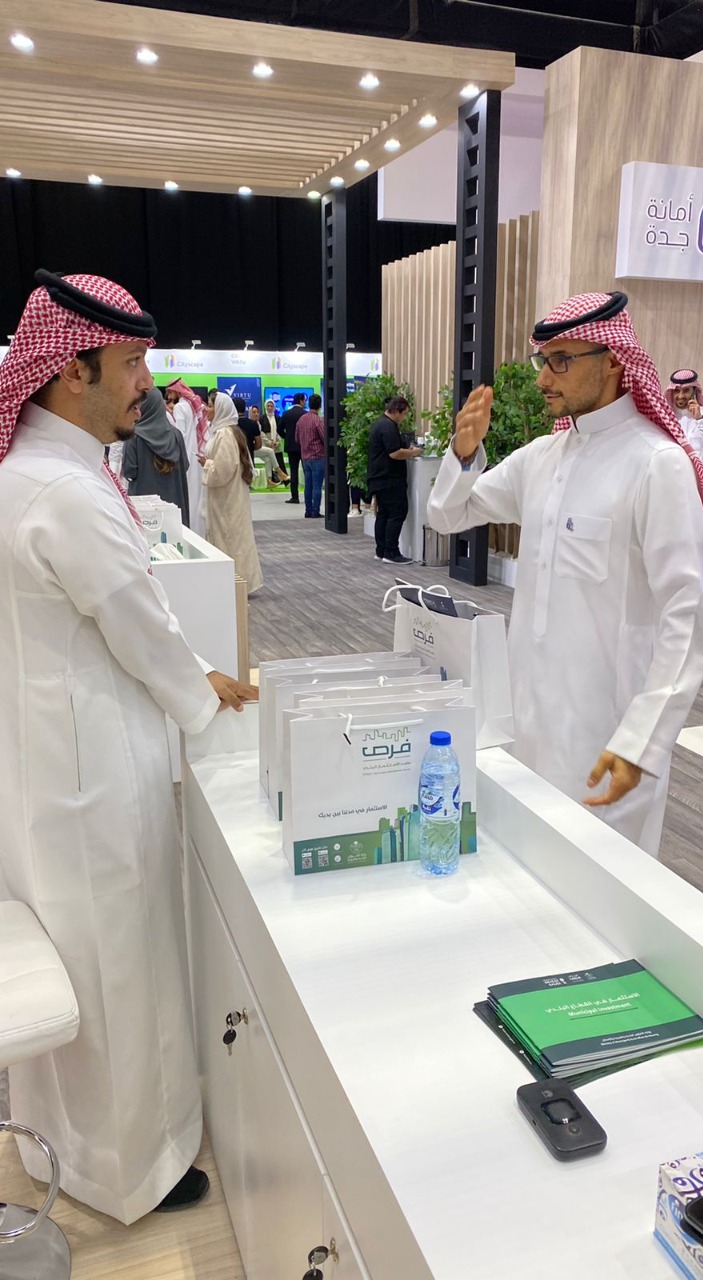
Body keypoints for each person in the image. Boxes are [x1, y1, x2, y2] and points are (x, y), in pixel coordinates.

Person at [0, 269, 255, 1224]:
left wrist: (192, 674)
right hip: (93, 781)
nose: (147, 382)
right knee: (117, 973)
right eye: (133, 362)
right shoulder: (64, 489)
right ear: (72, 370)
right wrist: (205, 693)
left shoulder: (32, 470)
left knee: (75, 970)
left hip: (42, 768)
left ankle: (61, 1148)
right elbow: (138, 627)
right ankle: (133, 1173)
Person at [427, 290, 703, 856]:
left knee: (606, 879)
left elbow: (686, 616)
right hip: (529, 718)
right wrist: (463, 455)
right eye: (544, 360)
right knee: (530, 868)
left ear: (613, 361)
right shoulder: (543, 457)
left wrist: (643, 739)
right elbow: (450, 514)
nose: (543, 379)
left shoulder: (656, 463)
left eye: (561, 360)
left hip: (608, 731)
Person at [199, 391, 263, 594]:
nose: (206, 409)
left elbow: (223, 471)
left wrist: (206, 463)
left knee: (231, 539)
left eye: (210, 405)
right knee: (233, 539)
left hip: (227, 500)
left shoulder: (225, 434)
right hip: (226, 498)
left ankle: (236, 584)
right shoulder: (223, 431)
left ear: (220, 409)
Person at [122, 384, 190, 526]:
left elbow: (129, 471)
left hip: (146, 514)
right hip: (174, 509)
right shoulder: (176, 435)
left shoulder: (134, 436)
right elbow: (185, 466)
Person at [367, 395, 423, 564]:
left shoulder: (380, 424)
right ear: (397, 411)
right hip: (389, 478)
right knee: (397, 513)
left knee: (383, 514)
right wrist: (412, 452)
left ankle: (381, 550)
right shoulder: (388, 426)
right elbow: (394, 453)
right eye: (404, 413)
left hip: (378, 478)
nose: (404, 417)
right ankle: (391, 552)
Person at [166, 378, 208, 535]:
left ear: (176, 391)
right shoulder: (193, 405)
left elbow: (180, 435)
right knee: (197, 494)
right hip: (197, 455)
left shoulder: (180, 407)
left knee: (188, 494)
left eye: (170, 392)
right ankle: (199, 530)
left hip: (186, 456)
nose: (169, 396)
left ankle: (190, 531)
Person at [665, 368, 703, 482]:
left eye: (686, 390)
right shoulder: (666, 418)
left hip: (702, 485)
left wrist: (700, 419)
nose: (680, 396)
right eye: (677, 391)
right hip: (673, 482)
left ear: (694, 392)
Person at [296, 392, 325, 518]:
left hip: (305, 457)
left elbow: (297, 439)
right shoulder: (318, 420)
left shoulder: (301, 420)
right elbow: (324, 438)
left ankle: (308, 510)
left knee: (308, 486)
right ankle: (315, 511)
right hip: (318, 457)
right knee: (317, 486)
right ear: (320, 405)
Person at [279, 392, 307, 505]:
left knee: (293, 471)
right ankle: (308, 496)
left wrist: (287, 437)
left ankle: (294, 497)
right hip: (304, 446)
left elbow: (279, 429)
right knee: (307, 471)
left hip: (291, 446)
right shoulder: (305, 414)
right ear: (301, 401)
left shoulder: (286, 413)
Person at [250, 403, 287, 488]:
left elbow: (274, 432)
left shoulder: (258, 423)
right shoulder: (250, 423)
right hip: (250, 449)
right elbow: (260, 436)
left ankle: (269, 480)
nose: (256, 414)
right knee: (270, 451)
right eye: (254, 412)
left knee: (268, 459)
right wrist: (269, 442)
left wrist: (275, 442)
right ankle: (280, 472)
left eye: (257, 412)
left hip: (258, 447)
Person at [261, 397, 288, 481]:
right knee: (269, 462)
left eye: (271, 406)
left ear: (274, 407)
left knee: (280, 462)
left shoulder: (278, 418)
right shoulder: (262, 418)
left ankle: (286, 480)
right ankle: (272, 480)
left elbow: (280, 431)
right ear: (265, 407)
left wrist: (277, 442)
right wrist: (269, 442)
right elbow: (261, 432)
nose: (269, 408)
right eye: (268, 406)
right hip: (266, 444)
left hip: (277, 444)